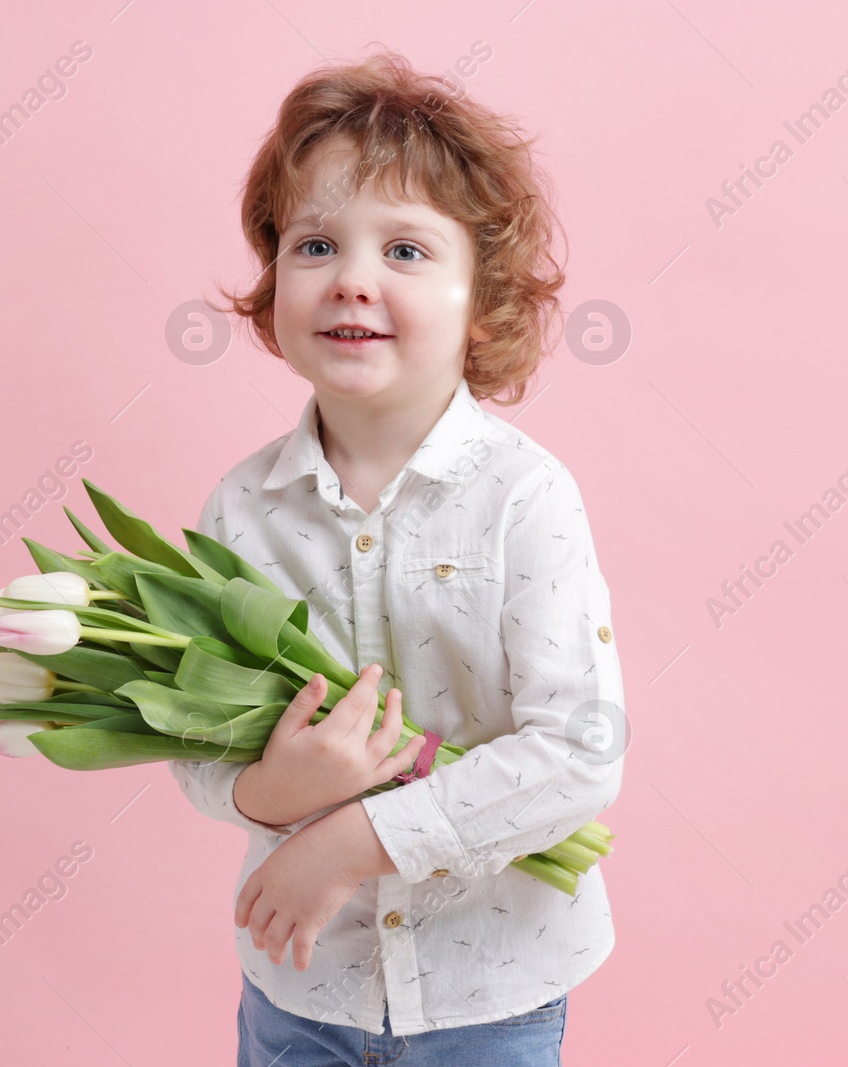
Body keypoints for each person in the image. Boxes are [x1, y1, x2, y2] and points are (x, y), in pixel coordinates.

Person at [169, 48, 626, 1066]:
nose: (353, 280)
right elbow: (194, 743)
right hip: (301, 988)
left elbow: (579, 748)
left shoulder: (524, 497)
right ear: (272, 277)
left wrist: (348, 841)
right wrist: (268, 796)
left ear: (484, 297)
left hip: (491, 993)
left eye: (407, 251)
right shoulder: (241, 510)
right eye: (316, 243)